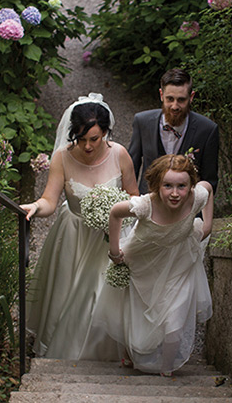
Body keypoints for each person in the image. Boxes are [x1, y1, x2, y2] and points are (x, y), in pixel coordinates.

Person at [20, 93, 139, 360]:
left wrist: (117, 207)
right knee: (70, 298)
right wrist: (35, 208)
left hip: (111, 236)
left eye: (94, 139)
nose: (87, 146)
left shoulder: (120, 154)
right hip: (74, 235)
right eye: (81, 139)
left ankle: (105, 351)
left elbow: (134, 196)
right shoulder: (63, 157)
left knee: (102, 295)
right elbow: (50, 200)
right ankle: (69, 350)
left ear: (105, 132)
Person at [95, 154, 214, 376]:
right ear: (157, 185)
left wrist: (206, 226)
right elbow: (115, 213)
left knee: (174, 322)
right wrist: (114, 251)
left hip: (179, 263)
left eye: (182, 186)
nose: (175, 193)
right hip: (142, 262)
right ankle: (129, 355)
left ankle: (167, 368)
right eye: (167, 186)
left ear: (190, 186)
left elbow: (208, 188)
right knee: (134, 313)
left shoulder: (196, 197)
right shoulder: (144, 206)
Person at [128, 68, 219, 194]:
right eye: (170, 99)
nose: (175, 106)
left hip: (187, 208)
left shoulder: (207, 130)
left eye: (181, 100)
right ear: (161, 95)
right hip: (148, 204)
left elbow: (210, 181)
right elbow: (131, 169)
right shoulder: (142, 122)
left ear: (191, 97)